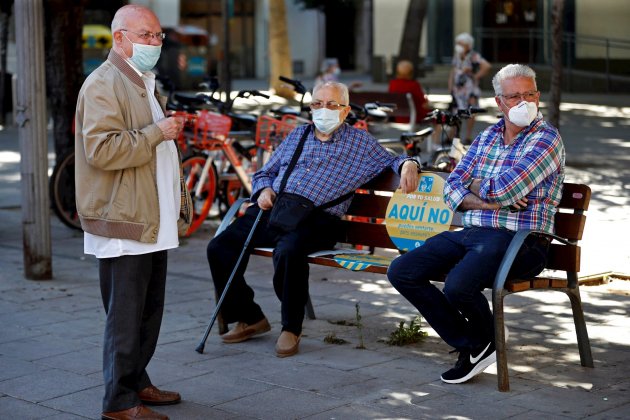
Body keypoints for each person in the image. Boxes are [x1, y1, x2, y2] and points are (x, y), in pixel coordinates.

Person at [207, 81, 421, 358]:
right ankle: (249, 316)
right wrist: (264, 190)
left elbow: (395, 160)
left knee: (288, 251)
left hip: (319, 219)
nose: (324, 110)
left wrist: (409, 164)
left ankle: (291, 327)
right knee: (219, 248)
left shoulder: (359, 143)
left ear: (345, 111)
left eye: (332, 104)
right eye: (317, 104)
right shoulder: (298, 135)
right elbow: (264, 173)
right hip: (277, 208)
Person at [387, 64, 565, 384]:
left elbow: (506, 189)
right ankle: (475, 343)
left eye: (529, 94)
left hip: (520, 239)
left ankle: (480, 346)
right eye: (514, 96)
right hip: (473, 232)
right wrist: (486, 196)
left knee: (458, 285)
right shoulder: (487, 135)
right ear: (499, 102)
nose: (524, 102)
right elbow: (452, 188)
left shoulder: (546, 138)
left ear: (538, 96)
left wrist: (477, 187)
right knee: (402, 271)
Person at [74, 5, 192, 420]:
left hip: (148, 218)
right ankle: (119, 402)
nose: (155, 43)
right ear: (119, 38)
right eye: (145, 35)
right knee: (125, 315)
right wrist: (157, 132)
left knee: (147, 308)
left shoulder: (140, 80)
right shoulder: (103, 83)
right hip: (123, 220)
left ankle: (137, 381)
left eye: (158, 36)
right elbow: (102, 149)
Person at [449, 32, 491, 143]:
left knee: (471, 111)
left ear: (468, 45)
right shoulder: (457, 56)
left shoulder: (473, 55)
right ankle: (452, 136)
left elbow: (486, 66)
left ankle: (468, 136)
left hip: (470, 89)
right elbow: (453, 71)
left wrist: (475, 76)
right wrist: (450, 85)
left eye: (460, 43)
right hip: (458, 89)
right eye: (457, 43)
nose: (458, 46)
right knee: (455, 112)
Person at [388, 59, 430, 124]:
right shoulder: (414, 85)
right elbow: (423, 103)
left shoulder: (393, 84)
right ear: (411, 72)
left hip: (397, 116)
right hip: (415, 116)